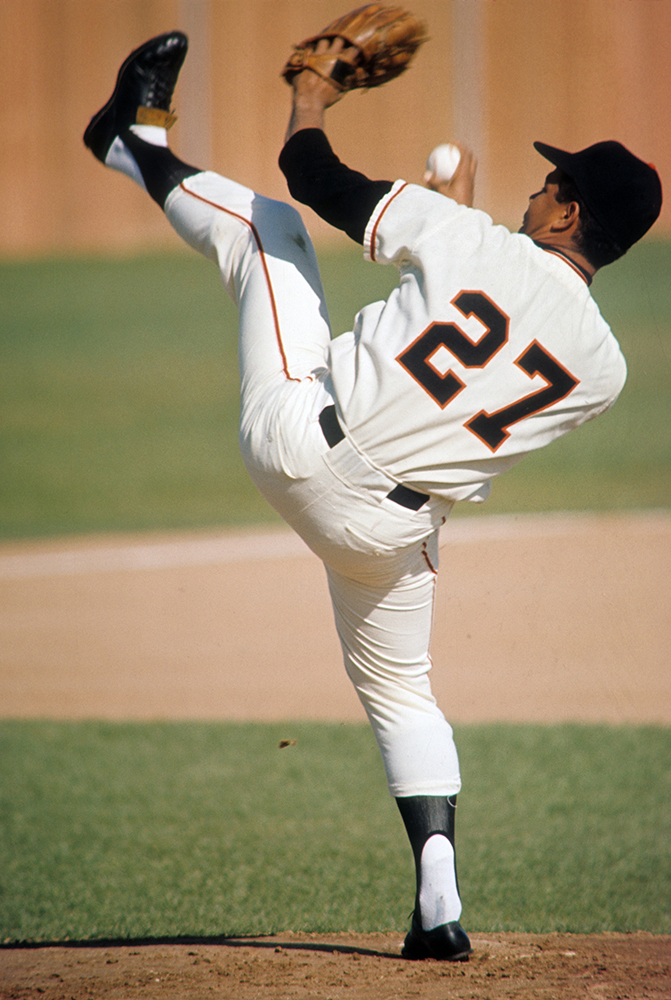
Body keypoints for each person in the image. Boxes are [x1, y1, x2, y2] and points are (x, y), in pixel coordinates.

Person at [83, 29, 662, 961]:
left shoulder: (469, 239)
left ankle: (130, 146)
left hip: (300, 437)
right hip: (389, 535)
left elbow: (310, 175)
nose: (536, 189)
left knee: (264, 229)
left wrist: (313, 94)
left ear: (566, 212)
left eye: (550, 184)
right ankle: (438, 901)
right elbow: (477, 337)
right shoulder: (606, 371)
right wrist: (454, 223)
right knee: (402, 694)